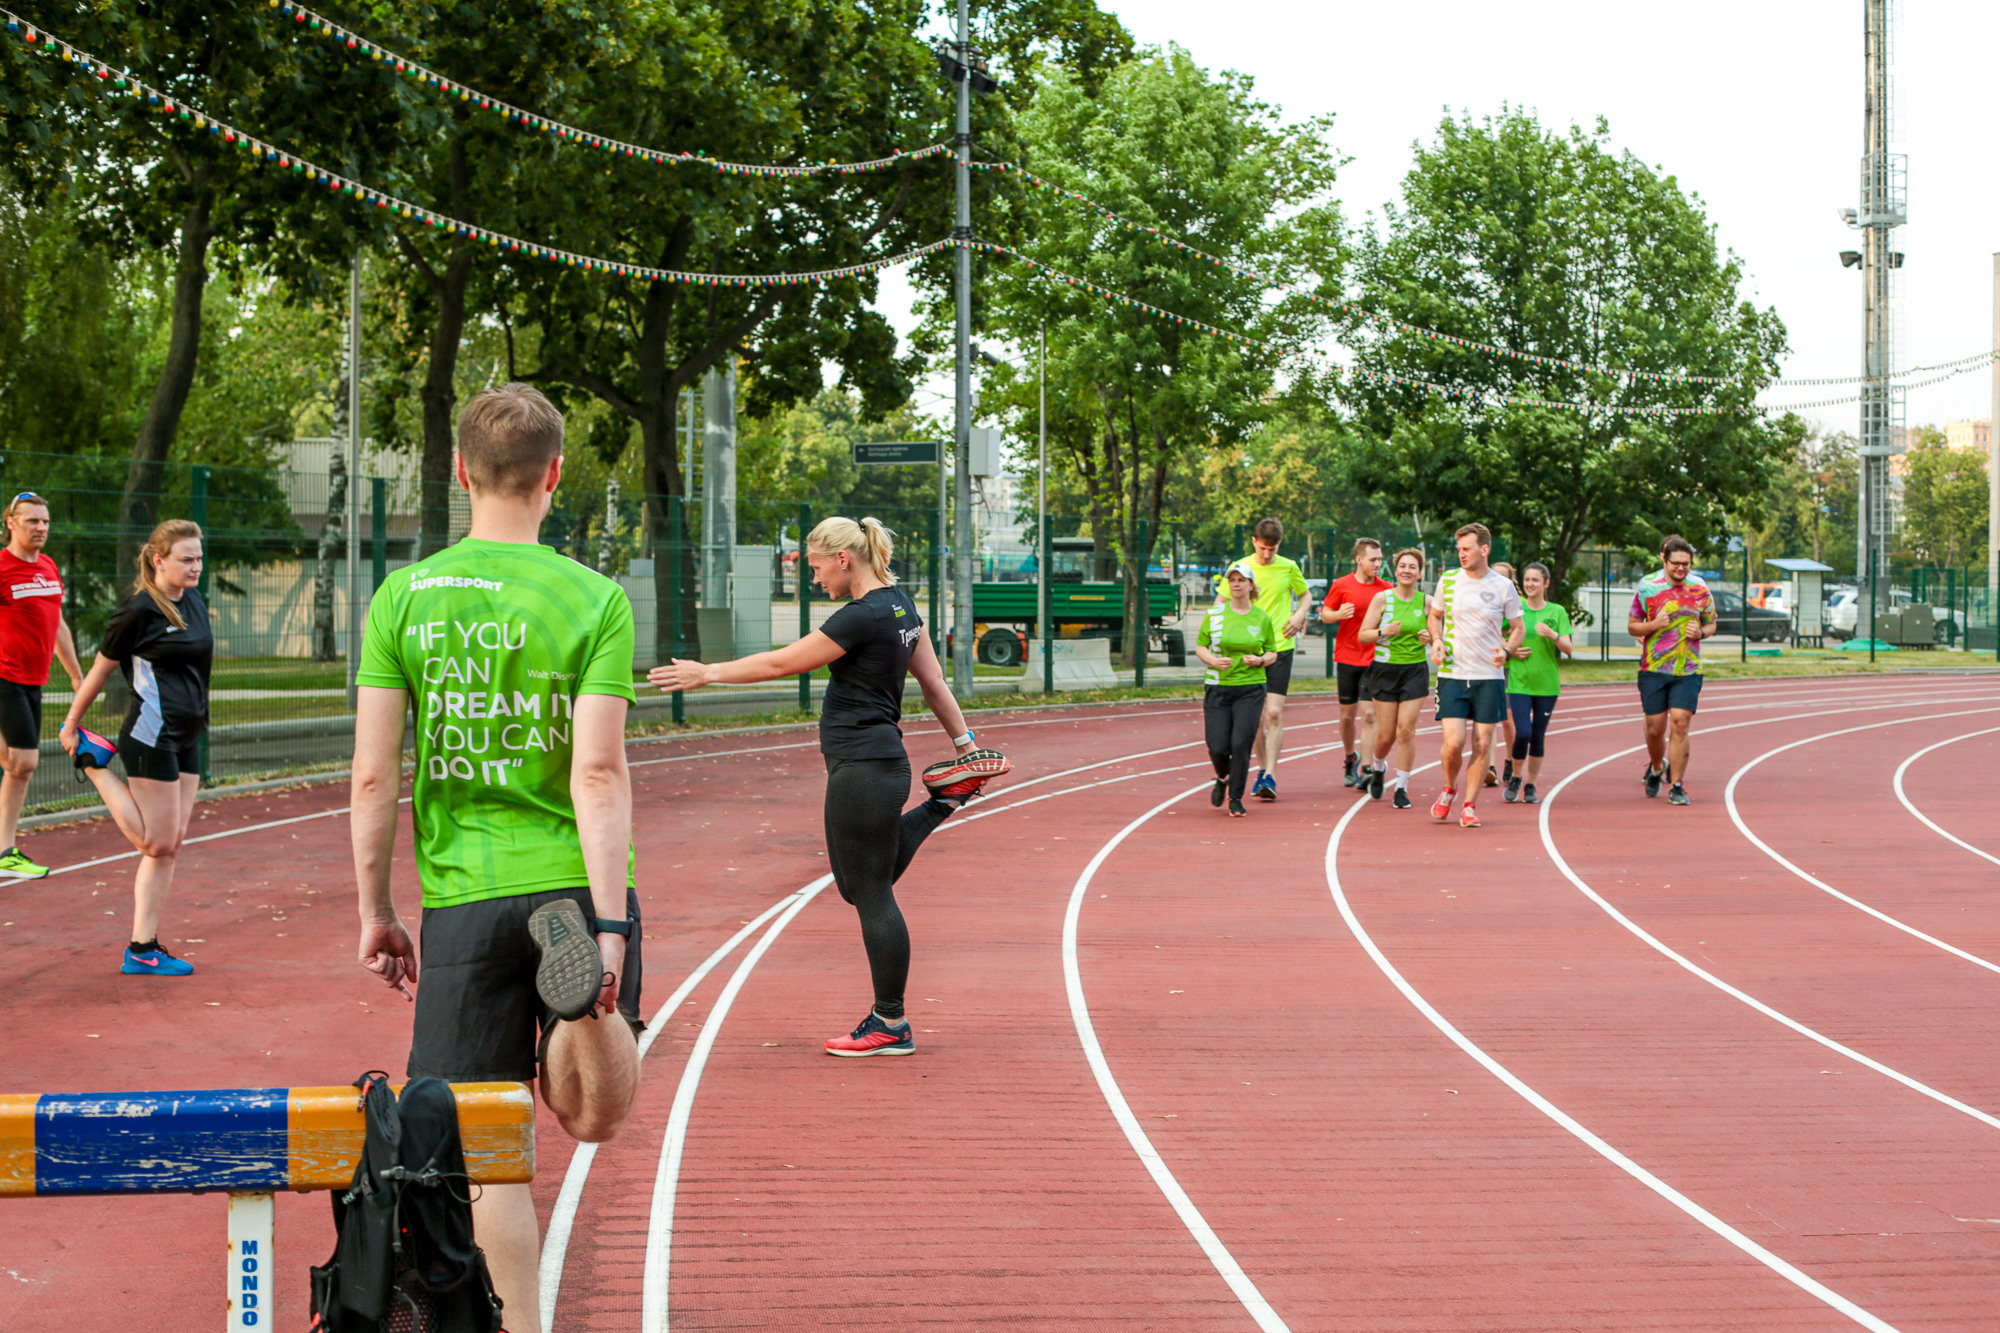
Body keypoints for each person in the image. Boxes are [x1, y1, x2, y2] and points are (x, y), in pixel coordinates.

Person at [349, 384, 643, 1333]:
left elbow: (372, 774)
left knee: (485, 1151)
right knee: (592, 1115)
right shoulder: (593, 597)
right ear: (554, 474)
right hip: (572, 880)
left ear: (461, 471)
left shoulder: (404, 596)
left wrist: (378, 911)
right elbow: (596, 770)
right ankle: (584, 1011)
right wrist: (608, 924)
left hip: (465, 896)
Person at [651, 515, 1009, 1058]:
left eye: (817, 567)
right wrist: (965, 746)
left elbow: (781, 663)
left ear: (844, 559)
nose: (814, 578)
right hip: (876, 763)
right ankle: (944, 800)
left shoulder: (861, 616)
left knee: (870, 891)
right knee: (861, 882)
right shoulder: (901, 605)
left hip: (864, 766)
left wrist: (708, 673)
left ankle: (891, 1021)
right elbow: (933, 679)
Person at [59, 519, 212, 975]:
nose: (196, 567)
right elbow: (100, 671)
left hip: (189, 734)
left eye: (199, 558)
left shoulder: (195, 600)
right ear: (159, 560)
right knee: (154, 841)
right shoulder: (138, 611)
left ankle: (143, 948)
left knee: (171, 845)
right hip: (151, 735)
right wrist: (72, 723)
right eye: (186, 559)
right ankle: (93, 762)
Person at [0, 492, 84, 877]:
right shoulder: (2, 567)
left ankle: (4, 852)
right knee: (24, 762)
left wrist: (76, 674)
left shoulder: (48, 566)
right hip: (5, 675)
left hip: (34, 679)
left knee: (15, 764)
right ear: (11, 522)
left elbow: (58, 624)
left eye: (45, 521)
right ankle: (5, 851)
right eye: (32, 520)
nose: (41, 527)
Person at [1426, 523, 1523, 828]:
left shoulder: (1503, 586)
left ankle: (1469, 805)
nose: (1462, 554)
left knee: (1482, 744)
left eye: (1467, 549)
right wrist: (1437, 639)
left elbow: (1518, 628)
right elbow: (1434, 616)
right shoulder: (1448, 580)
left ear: (1484, 549)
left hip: (1488, 677)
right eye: (1459, 549)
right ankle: (1449, 788)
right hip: (1453, 673)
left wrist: (1506, 651)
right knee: (1453, 743)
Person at [1628, 534, 1716, 806]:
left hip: (1688, 669)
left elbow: (1712, 623)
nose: (1681, 568)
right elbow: (1632, 625)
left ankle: (1677, 785)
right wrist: (1653, 625)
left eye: (1686, 564)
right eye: (1676, 563)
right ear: (1664, 561)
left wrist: (1701, 633)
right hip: (1654, 668)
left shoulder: (1700, 589)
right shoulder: (1648, 587)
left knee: (1680, 723)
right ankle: (1657, 767)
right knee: (1655, 729)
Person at [1197, 561, 1279, 817]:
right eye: (1232, 580)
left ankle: (1235, 798)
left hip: (1250, 689)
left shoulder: (1262, 617)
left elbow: (1272, 652)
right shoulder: (1215, 614)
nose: (1236, 584)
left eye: (1241, 580)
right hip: (1218, 687)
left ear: (1250, 585)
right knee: (1217, 746)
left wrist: (1260, 660)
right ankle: (1223, 776)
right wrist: (1212, 661)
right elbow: (1201, 646)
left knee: (1240, 744)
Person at [1237, 518, 1309, 801]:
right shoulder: (1241, 568)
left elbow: (1305, 595)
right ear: (1254, 541)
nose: (1267, 554)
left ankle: (1270, 775)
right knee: (1256, 717)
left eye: (1273, 549)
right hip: (1249, 648)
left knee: (1275, 713)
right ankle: (1262, 768)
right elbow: (1222, 601)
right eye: (1263, 548)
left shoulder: (1288, 567)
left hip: (1281, 646)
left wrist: (1299, 614)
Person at [1355, 548, 1432, 808]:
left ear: (1419, 573)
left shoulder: (1427, 602)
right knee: (1386, 735)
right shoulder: (1382, 599)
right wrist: (1383, 631)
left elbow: (1440, 635)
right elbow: (1363, 635)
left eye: (1412, 567)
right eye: (1403, 566)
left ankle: (1402, 787)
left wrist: (1431, 637)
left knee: (1406, 730)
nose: (1407, 570)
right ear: (1395, 570)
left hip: (1414, 671)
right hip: (1385, 671)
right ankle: (1378, 767)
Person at [1318, 538, 1386, 790]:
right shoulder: (1341, 584)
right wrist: (1338, 614)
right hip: (1347, 657)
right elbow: (1325, 614)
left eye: (1380, 559)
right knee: (1347, 717)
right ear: (1359, 559)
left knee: (1369, 715)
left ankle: (1366, 767)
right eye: (1373, 559)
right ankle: (1350, 757)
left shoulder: (1386, 589)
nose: (1377, 564)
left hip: (1373, 659)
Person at [1504, 562, 1573, 805]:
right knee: (1523, 732)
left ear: (1546, 583)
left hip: (1546, 685)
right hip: (1519, 682)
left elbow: (1568, 648)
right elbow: (1496, 635)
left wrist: (1553, 635)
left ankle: (1531, 784)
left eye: (1535, 580)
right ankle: (1515, 776)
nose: (1530, 584)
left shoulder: (1557, 612)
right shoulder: (1516, 609)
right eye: (1527, 580)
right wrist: (1510, 650)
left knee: (1538, 735)